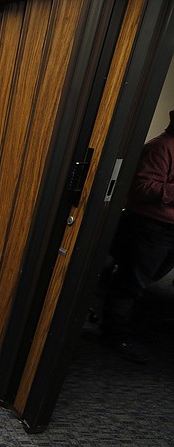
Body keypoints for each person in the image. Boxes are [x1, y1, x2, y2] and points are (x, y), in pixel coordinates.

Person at [100, 110, 174, 364]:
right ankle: (114, 335)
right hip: (151, 227)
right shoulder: (161, 148)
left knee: (148, 278)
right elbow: (143, 188)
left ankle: (120, 320)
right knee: (131, 284)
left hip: (166, 230)